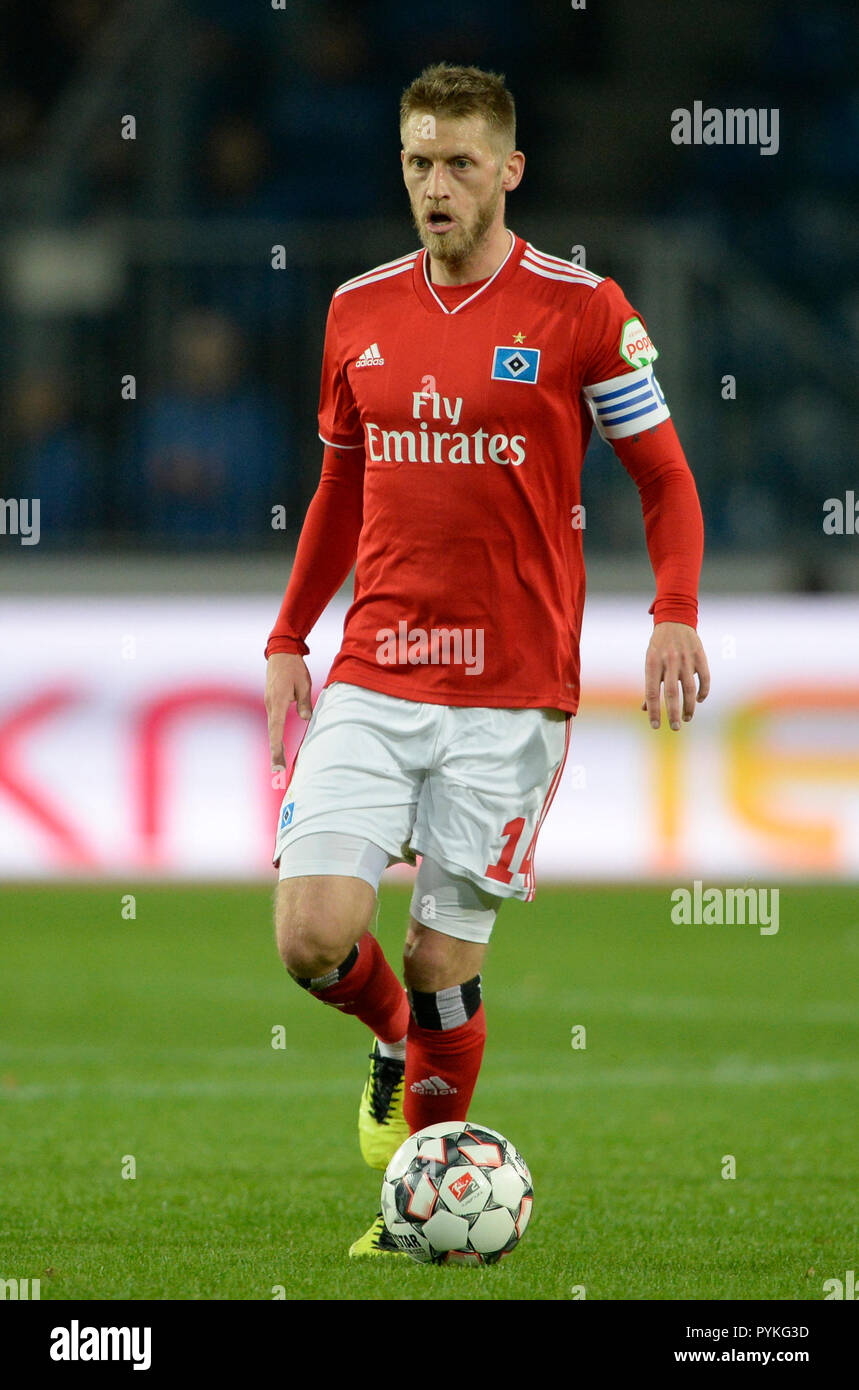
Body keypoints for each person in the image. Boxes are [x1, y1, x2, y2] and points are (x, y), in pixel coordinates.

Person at [263, 62, 709, 1256]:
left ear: (510, 171)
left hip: (512, 695)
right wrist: (287, 635)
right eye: (417, 161)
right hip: (377, 668)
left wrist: (673, 609)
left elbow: (663, 477)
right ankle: (391, 1029)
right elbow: (337, 486)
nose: (435, 185)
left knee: (446, 962)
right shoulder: (357, 310)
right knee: (313, 936)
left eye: (461, 162)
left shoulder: (581, 309)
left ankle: (404, 1218)